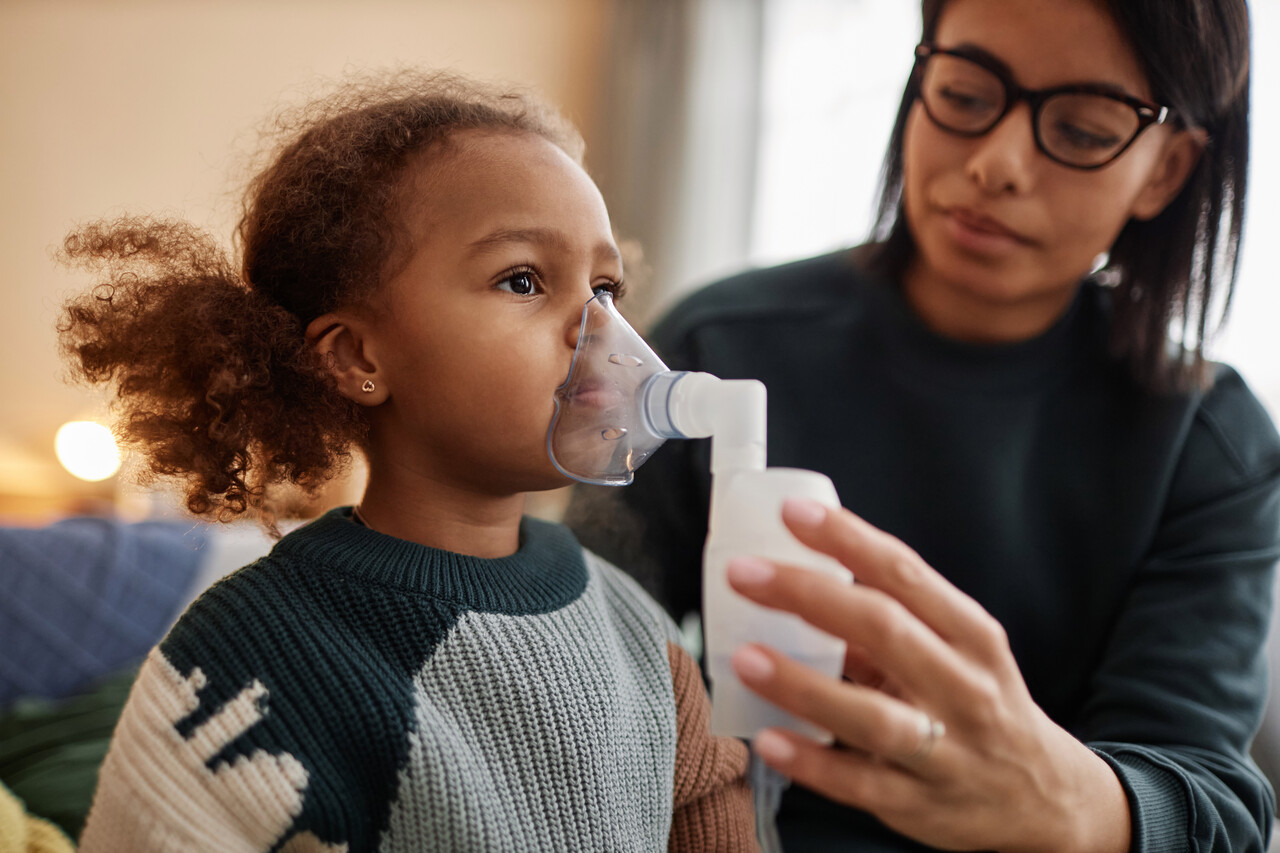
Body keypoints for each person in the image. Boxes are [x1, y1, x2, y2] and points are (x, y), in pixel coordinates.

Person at [566, 0, 1280, 850]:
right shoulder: (720, 346)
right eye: (968, 96)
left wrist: (1074, 803)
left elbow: (1214, 800)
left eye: (1084, 131)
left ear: (1166, 171)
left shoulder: (1209, 443)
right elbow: (583, 667)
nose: (997, 164)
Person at [59, 72, 757, 852]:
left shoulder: (637, 630)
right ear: (358, 355)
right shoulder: (245, 658)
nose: (597, 328)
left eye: (605, 287)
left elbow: (711, 803)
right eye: (523, 279)